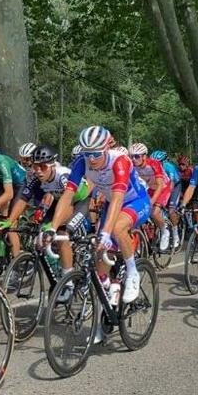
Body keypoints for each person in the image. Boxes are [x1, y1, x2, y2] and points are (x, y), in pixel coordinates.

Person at [47, 126, 150, 313]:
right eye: (87, 154)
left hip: (135, 200)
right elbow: (68, 195)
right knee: (100, 255)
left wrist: (106, 232)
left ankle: (133, 272)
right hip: (112, 203)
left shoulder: (119, 161)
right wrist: (52, 228)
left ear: (105, 149)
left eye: (95, 154)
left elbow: (119, 198)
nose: (91, 159)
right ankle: (107, 296)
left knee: (116, 230)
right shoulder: (82, 162)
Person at [129, 143, 172, 251]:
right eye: (132, 156)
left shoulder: (154, 164)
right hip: (149, 188)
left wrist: (152, 201)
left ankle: (164, 229)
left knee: (154, 212)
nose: (134, 159)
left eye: (137, 156)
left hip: (163, 187)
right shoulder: (132, 166)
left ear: (144, 156)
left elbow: (160, 185)